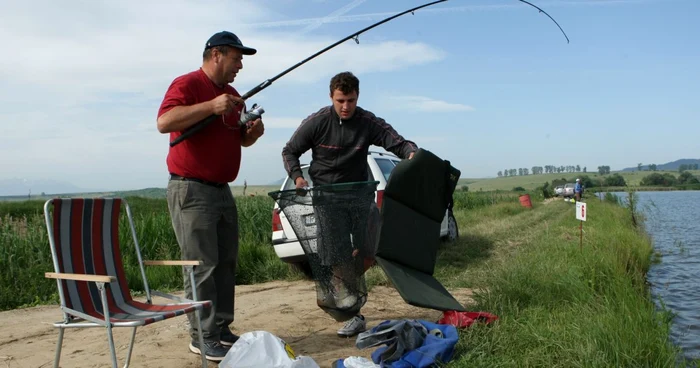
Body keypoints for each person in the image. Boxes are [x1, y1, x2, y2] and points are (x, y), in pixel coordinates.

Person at [281, 71, 418, 337]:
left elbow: (398, 143)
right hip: (327, 200)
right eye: (341, 100)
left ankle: (350, 287)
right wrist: (297, 177)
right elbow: (289, 150)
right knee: (336, 256)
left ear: (358, 98)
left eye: (351, 101)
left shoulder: (367, 122)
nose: (346, 107)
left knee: (371, 249)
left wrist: (411, 153)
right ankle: (352, 313)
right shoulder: (317, 122)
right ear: (332, 97)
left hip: (360, 197)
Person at [156, 31, 264, 362]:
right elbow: (164, 122)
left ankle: (220, 328)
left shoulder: (234, 96)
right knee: (201, 266)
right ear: (216, 55)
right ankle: (201, 336)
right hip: (190, 189)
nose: (241, 65)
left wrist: (251, 135)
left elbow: (237, 141)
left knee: (225, 263)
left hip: (222, 190)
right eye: (236, 57)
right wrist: (210, 106)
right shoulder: (187, 84)